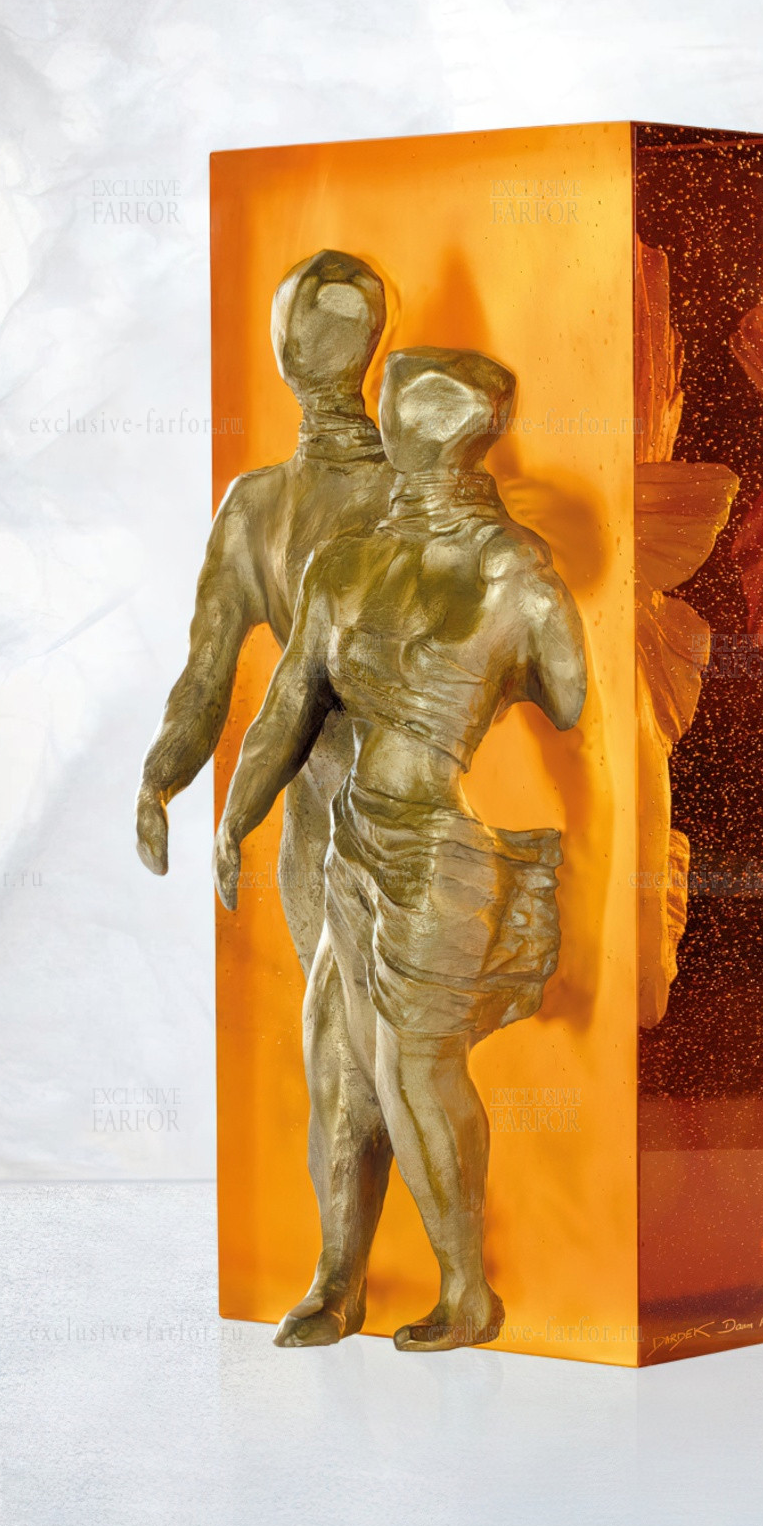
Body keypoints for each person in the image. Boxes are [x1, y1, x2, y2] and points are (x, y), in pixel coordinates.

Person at [213, 347, 587, 1353]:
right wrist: (237, 812)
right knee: (335, 1064)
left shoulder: (512, 566)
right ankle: (337, 1281)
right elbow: (287, 703)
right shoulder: (349, 565)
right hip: (351, 838)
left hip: (437, 849)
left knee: (413, 1069)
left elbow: (569, 701)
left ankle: (468, 1291)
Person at [135, 249, 394, 969]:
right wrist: (159, 780)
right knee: (334, 1021)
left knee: (369, 1025)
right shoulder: (257, 505)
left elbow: (208, 678)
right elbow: (206, 676)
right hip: (321, 813)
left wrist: (164, 784)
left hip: (395, 817)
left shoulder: (409, 492)